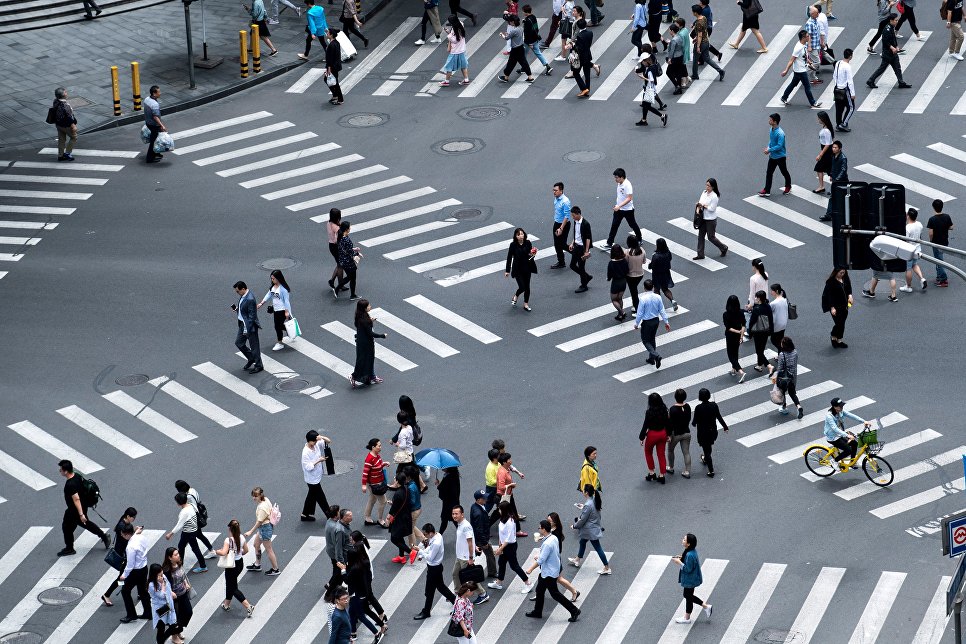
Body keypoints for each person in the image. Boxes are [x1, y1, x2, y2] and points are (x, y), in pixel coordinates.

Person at [524, 520, 581, 622]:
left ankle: (574, 610)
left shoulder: (547, 544)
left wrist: (530, 569)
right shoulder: (553, 537)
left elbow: (541, 560)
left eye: (539, 528)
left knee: (555, 594)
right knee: (540, 590)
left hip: (548, 573)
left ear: (544, 529)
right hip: (552, 570)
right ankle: (537, 611)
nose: (538, 529)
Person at [58, 459, 110, 557]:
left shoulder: (70, 484)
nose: (60, 471)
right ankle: (103, 536)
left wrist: (81, 514)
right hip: (83, 505)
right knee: (76, 525)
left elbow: (76, 499)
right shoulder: (77, 476)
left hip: (75, 510)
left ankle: (70, 548)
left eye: (60, 470)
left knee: (68, 526)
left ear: (65, 471)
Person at [414, 522, 458, 619]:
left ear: (430, 533)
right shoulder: (437, 536)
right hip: (435, 568)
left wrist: (420, 551)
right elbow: (430, 548)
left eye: (425, 534)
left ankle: (426, 611)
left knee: (429, 591)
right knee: (440, 587)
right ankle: (456, 602)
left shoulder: (436, 543)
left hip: (434, 569)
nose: (424, 536)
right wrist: (422, 554)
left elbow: (430, 558)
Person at [488, 500, 534, 592]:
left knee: (514, 566)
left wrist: (500, 548)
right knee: (501, 563)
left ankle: (528, 583)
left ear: (504, 510)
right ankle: (498, 582)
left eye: (500, 509)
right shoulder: (502, 519)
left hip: (510, 546)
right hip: (504, 545)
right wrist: (500, 545)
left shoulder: (510, 521)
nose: (499, 511)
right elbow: (501, 535)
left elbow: (509, 538)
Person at [345, 541, 386, 642]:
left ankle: (376, 633)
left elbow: (347, 580)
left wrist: (343, 570)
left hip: (357, 594)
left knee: (361, 615)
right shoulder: (360, 563)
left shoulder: (355, 567)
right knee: (354, 612)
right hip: (362, 593)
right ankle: (353, 633)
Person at [569, 484, 611, 573]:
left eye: (583, 490)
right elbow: (591, 512)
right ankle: (577, 559)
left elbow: (582, 519)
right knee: (582, 542)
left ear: (586, 493)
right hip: (593, 527)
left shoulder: (588, 504)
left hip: (590, 530)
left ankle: (606, 567)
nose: (582, 491)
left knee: (597, 547)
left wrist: (575, 526)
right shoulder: (594, 501)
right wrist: (583, 507)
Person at [101, 507, 139, 606]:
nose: (134, 519)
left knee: (135, 574)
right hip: (123, 556)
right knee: (122, 578)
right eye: (133, 517)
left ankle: (140, 592)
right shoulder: (121, 527)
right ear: (128, 516)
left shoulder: (125, 524)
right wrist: (135, 532)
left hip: (125, 554)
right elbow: (127, 539)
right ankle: (107, 595)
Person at [451, 505, 489, 604]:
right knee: (455, 574)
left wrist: (471, 557)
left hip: (465, 557)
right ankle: (458, 592)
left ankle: (482, 594)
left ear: (462, 514)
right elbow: (471, 539)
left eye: (456, 514)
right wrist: (475, 546)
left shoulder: (466, 526)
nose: (454, 516)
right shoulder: (460, 524)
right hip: (459, 556)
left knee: (469, 578)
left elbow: (469, 542)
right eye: (453, 513)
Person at [163, 492, 208, 574]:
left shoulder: (184, 512)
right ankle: (181, 564)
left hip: (188, 532)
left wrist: (170, 534)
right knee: (182, 546)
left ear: (178, 503)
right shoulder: (191, 505)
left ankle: (202, 566)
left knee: (193, 548)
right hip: (193, 530)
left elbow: (179, 525)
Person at [672, 533, 712, 623]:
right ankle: (687, 617)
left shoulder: (690, 554)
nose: (682, 540)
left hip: (690, 579)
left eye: (684, 540)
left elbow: (687, 568)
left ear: (689, 544)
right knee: (688, 596)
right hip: (691, 578)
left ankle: (705, 606)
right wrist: (681, 558)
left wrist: (678, 562)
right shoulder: (690, 551)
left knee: (687, 596)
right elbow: (689, 562)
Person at [866, 14, 912, 89]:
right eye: (896, 20)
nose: (897, 21)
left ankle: (901, 82)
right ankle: (870, 80)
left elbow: (893, 38)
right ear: (891, 21)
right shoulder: (886, 29)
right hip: (888, 54)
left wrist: (896, 46)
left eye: (897, 20)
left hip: (893, 53)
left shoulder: (891, 27)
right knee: (882, 69)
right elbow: (885, 41)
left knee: (897, 68)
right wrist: (892, 48)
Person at [778, 30, 822, 109]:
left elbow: (804, 56)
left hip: (799, 70)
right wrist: (786, 70)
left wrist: (810, 63)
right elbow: (791, 60)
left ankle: (784, 97)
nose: (809, 37)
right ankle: (813, 102)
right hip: (800, 71)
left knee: (793, 84)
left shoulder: (803, 45)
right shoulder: (798, 48)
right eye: (808, 36)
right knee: (807, 87)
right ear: (803, 38)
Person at [823, 397, 872, 467]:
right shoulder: (829, 416)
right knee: (848, 450)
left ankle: (853, 462)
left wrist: (863, 421)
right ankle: (834, 461)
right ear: (835, 407)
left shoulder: (840, 411)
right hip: (833, 437)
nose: (842, 407)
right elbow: (835, 428)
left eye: (842, 405)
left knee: (855, 443)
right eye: (840, 406)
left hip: (840, 434)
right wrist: (847, 435)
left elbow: (851, 415)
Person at [118, 523, 151, 622]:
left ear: (127, 534)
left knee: (125, 591)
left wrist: (124, 575)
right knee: (143, 591)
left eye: (123, 535)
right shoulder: (140, 537)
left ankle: (132, 614)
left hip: (135, 572)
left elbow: (130, 564)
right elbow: (136, 534)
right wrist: (137, 531)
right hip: (144, 568)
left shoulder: (130, 547)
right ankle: (148, 613)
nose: (122, 536)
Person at [634, 279, 671, 369]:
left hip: (647, 322)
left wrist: (636, 324)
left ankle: (656, 355)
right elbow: (662, 310)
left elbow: (639, 313)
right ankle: (651, 359)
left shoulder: (643, 299)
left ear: (644, 288)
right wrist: (666, 322)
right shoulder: (658, 297)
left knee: (645, 340)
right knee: (652, 338)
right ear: (653, 287)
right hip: (655, 321)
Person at [244, 487, 280, 576]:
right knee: (256, 544)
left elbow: (259, 522)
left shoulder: (261, 508)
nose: (254, 498)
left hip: (265, 528)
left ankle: (275, 569)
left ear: (260, 495)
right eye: (253, 496)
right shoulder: (266, 500)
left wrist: (250, 531)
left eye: (255, 496)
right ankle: (257, 564)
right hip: (265, 527)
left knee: (269, 549)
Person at [350, 299, 386, 388]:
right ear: (364, 308)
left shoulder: (360, 316)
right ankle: (354, 376)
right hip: (366, 344)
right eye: (368, 306)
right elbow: (371, 334)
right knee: (366, 360)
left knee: (365, 360)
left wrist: (370, 321)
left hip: (361, 342)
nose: (370, 306)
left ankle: (371, 376)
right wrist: (383, 335)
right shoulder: (365, 320)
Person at [692, 388, 728, 477]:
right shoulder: (714, 405)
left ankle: (711, 470)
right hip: (713, 431)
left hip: (703, 433)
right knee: (709, 447)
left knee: (706, 450)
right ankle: (705, 458)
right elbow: (719, 417)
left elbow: (694, 422)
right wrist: (725, 427)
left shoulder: (698, 408)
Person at [604, 169, 642, 250]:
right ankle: (609, 242)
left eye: (617, 177)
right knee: (614, 225)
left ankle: (639, 238)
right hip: (619, 209)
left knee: (632, 224)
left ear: (622, 177)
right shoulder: (619, 183)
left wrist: (619, 206)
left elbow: (629, 198)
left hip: (628, 210)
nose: (615, 179)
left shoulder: (627, 185)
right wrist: (618, 205)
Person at [255, 269, 292, 352]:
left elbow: (286, 301)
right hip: (276, 310)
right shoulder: (273, 287)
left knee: (277, 326)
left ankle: (280, 343)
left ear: (278, 278)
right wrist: (261, 303)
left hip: (282, 310)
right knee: (278, 325)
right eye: (271, 278)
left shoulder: (283, 289)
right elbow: (268, 295)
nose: (272, 280)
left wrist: (286, 311)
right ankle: (290, 330)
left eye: (273, 278)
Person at [232, 280, 263, 374]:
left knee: (254, 346)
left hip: (250, 326)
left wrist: (247, 329)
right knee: (239, 343)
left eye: (238, 291)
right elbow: (244, 310)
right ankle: (251, 358)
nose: (237, 293)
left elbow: (252, 317)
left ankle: (259, 365)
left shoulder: (250, 299)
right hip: (242, 324)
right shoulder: (243, 296)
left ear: (243, 289)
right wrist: (238, 310)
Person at [769, 336, 803, 418]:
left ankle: (784, 407)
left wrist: (776, 378)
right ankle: (799, 406)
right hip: (792, 376)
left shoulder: (782, 354)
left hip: (784, 377)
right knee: (792, 392)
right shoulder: (795, 352)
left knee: (782, 391)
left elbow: (780, 368)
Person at [148, 563, 183, 644]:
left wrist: (171, 592)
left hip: (169, 604)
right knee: (161, 628)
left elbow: (169, 586)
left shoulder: (163, 577)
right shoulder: (151, 585)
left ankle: (165, 639)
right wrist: (163, 585)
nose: (161, 576)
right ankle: (160, 641)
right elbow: (161, 595)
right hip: (160, 608)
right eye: (159, 575)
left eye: (161, 573)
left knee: (173, 624)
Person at [302, 430, 333, 523]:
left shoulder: (316, 445)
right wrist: (318, 460)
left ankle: (305, 514)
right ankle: (330, 516)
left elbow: (328, 441)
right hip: (311, 479)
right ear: (309, 441)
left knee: (311, 496)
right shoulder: (305, 452)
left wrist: (321, 437)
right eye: (314, 441)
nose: (315, 443)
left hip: (317, 476)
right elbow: (308, 467)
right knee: (321, 498)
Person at [162, 547, 192, 639]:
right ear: (170, 557)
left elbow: (182, 575)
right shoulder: (166, 570)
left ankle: (178, 630)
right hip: (174, 598)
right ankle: (174, 636)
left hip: (183, 593)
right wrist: (170, 592)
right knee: (176, 618)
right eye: (175, 555)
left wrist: (185, 583)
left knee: (188, 612)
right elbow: (164, 584)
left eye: (178, 553)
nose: (178, 555)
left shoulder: (179, 563)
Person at [758, 113, 791, 197]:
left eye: (770, 120)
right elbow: (771, 141)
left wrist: (769, 150)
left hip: (780, 157)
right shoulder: (771, 129)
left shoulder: (780, 133)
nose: (769, 121)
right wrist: (768, 147)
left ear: (775, 122)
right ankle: (767, 190)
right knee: (769, 173)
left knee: (784, 172)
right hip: (772, 156)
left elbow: (779, 146)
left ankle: (788, 186)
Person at [694, 178, 727, 259]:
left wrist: (703, 206)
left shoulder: (714, 196)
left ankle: (723, 248)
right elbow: (700, 202)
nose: (707, 187)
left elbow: (712, 209)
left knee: (711, 237)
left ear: (713, 187)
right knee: (700, 236)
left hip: (710, 220)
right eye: (706, 185)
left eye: (708, 186)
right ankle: (700, 254)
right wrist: (698, 209)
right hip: (703, 218)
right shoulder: (704, 192)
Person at [640, 392, 669, 482]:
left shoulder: (649, 412)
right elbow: (668, 423)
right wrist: (668, 434)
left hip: (652, 434)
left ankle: (652, 473)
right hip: (662, 433)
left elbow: (645, 426)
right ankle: (662, 475)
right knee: (661, 454)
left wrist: (642, 437)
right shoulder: (664, 410)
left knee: (648, 452)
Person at [505, 227, 536, 311]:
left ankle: (526, 304)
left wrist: (533, 253)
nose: (521, 236)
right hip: (517, 269)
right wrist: (507, 270)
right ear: (516, 236)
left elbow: (530, 256)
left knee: (527, 287)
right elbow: (509, 258)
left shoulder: (528, 243)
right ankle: (516, 295)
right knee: (522, 287)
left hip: (527, 268)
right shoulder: (513, 245)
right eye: (519, 234)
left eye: (522, 234)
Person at [821, 267, 853, 348]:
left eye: (843, 272)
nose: (842, 274)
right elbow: (829, 296)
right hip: (836, 307)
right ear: (836, 272)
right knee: (839, 323)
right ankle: (833, 336)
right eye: (841, 273)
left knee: (842, 323)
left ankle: (839, 340)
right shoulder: (830, 282)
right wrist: (832, 307)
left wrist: (850, 296)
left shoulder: (845, 278)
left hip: (845, 306)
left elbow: (848, 287)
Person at [499, 14, 536, 83]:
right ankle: (530, 77)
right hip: (521, 48)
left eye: (510, 21)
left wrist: (502, 35)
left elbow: (507, 38)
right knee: (524, 62)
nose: (509, 23)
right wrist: (509, 34)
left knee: (511, 63)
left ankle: (506, 77)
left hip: (515, 50)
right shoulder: (521, 28)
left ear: (513, 22)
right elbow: (515, 36)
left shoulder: (514, 31)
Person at [469, 490, 498, 577]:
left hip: (477, 537)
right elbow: (479, 529)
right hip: (481, 538)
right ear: (478, 500)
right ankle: (492, 572)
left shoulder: (475, 506)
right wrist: (485, 542)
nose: (486, 499)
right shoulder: (479, 514)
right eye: (483, 498)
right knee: (489, 554)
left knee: (476, 554)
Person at [691, 8, 724, 81]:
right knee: (707, 59)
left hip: (701, 43)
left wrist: (698, 46)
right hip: (706, 42)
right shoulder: (704, 18)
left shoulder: (698, 23)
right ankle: (720, 70)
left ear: (696, 13)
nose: (692, 12)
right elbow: (704, 31)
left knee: (695, 59)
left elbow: (700, 34)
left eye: (693, 11)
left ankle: (695, 75)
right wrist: (697, 38)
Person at [636, 52, 668, 126]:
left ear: (646, 61)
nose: (642, 63)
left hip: (649, 89)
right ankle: (644, 120)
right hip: (651, 89)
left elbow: (651, 80)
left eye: (642, 62)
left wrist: (642, 77)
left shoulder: (650, 69)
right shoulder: (653, 66)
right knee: (645, 105)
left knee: (646, 106)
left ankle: (662, 116)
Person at [362, 438, 389, 527]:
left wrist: (383, 464)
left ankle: (367, 518)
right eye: (379, 446)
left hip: (377, 482)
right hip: (375, 484)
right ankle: (380, 520)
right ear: (373, 447)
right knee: (383, 501)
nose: (380, 447)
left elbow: (377, 466)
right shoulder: (370, 459)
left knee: (372, 499)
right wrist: (363, 485)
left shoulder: (376, 455)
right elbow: (365, 473)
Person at [386, 473, 413, 563]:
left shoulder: (397, 493)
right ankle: (401, 556)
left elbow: (394, 508)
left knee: (394, 538)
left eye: (395, 479)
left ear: (397, 481)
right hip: (406, 516)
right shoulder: (406, 489)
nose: (394, 480)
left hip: (399, 518)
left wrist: (388, 516)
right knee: (399, 537)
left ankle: (411, 552)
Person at [666, 389, 693, 478]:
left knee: (670, 450)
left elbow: (669, 424)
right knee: (686, 453)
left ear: (675, 397)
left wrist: (669, 435)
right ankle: (687, 471)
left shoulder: (672, 409)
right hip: (686, 432)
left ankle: (671, 467)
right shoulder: (688, 406)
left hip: (675, 434)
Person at [820, 141, 848, 222]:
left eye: (835, 147)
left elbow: (843, 170)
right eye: (833, 147)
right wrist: (832, 175)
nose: (833, 149)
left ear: (840, 149)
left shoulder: (843, 158)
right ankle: (829, 214)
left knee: (842, 198)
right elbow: (833, 166)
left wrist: (837, 179)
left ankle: (842, 214)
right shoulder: (834, 156)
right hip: (835, 181)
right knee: (832, 198)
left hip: (842, 182)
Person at [927, 199, 953, 286]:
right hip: (945, 241)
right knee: (938, 259)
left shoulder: (932, 219)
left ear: (933, 208)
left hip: (936, 243)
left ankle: (943, 279)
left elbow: (931, 233)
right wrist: (944, 227)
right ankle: (939, 276)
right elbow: (951, 227)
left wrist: (931, 241)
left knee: (939, 261)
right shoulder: (947, 216)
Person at [441, 15, 471, 87]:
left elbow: (455, 40)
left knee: (449, 67)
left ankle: (446, 81)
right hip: (462, 50)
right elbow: (457, 37)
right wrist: (450, 32)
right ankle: (466, 79)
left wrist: (449, 35)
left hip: (455, 52)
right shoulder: (461, 24)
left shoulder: (455, 30)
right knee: (463, 66)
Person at [901, 208, 927, 292]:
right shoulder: (919, 224)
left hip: (909, 250)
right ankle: (922, 278)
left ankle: (908, 287)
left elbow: (905, 240)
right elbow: (920, 236)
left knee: (908, 269)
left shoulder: (907, 228)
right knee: (914, 264)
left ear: (908, 216)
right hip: (917, 248)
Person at [568, 206, 593, 292]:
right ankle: (587, 277)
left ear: (578, 214)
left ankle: (584, 285)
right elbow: (576, 233)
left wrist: (586, 251)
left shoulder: (586, 224)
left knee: (581, 267)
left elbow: (588, 238)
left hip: (582, 248)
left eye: (573, 215)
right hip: (576, 246)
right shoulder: (575, 221)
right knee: (572, 265)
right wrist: (572, 243)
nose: (572, 217)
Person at [326, 507, 352, 589]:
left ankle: (333, 585)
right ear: (335, 515)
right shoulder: (337, 528)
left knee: (336, 571)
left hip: (332, 550)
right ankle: (331, 587)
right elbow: (338, 545)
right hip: (335, 552)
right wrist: (341, 561)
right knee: (338, 572)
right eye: (338, 512)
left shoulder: (330, 521)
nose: (340, 512)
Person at [747, 290, 773, 372]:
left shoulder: (757, 309)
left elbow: (752, 322)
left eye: (756, 297)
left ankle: (768, 365)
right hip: (766, 330)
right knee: (761, 349)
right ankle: (759, 365)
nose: (755, 298)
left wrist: (750, 333)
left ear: (759, 298)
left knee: (758, 351)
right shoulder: (768, 306)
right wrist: (770, 330)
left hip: (758, 332)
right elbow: (771, 319)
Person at [648, 239, 677, 311]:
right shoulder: (668, 253)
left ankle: (659, 306)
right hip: (666, 273)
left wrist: (650, 265)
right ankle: (672, 300)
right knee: (665, 289)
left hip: (657, 275)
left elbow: (653, 265)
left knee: (656, 289)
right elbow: (670, 259)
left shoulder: (656, 256)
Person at [334, 221, 360, 299]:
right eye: (349, 227)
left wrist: (354, 249)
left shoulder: (341, 236)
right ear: (346, 229)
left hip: (343, 260)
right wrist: (357, 254)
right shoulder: (346, 239)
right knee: (352, 278)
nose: (350, 228)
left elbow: (345, 249)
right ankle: (352, 295)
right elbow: (350, 252)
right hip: (348, 262)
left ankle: (338, 288)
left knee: (349, 277)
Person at [723, 294, 746, 382]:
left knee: (730, 355)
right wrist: (741, 336)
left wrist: (737, 331)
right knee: (735, 352)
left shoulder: (726, 314)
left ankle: (740, 371)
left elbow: (728, 327)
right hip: (737, 337)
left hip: (730, 336)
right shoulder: (740, 312)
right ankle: (733, 369)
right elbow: (743, 324)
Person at [51, 88, 78, 162]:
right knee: (74, 137)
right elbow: (69, 117)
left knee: (61, 140)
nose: (67, 93)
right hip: (66, 126)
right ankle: (67, 153)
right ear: (63, 95)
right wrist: (73, 126)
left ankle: (60, 155)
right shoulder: (66, 105)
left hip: (58, 124)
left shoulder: (55, 101)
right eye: (65, 92)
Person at [831, 50, 855, 132]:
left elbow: (834, 75)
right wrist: (853, 93)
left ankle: (838, 124)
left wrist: (836, 85)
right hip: (844, 90)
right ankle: (843, 124)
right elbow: (850, 81)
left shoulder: (838, 63)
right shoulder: (847, 66)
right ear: (850, 56)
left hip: (836, 89)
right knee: (851, 107)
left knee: (839, 108)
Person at [143, 85, 167, 164]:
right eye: (159, 92)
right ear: (154, 93)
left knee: (156, 139)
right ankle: (149, 158)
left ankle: (157, 153)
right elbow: (155, 117)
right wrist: (162, 125)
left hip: (148, 122)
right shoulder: (154, 104)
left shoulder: (147, 99)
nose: (160, 93)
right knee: (153, 142)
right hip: (154, 125)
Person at [571, 19, 594, 97]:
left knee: (576, 73)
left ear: (578, 26)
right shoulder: (590, 33)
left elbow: (579, 49)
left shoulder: (579, 36)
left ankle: (584, 89)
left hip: (581, 57)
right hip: (588, 55)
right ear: (586, 24)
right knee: (587, 74)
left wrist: (573, 45)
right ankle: (587, 89)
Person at [550, 182, 572, 268]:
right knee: (557, 244)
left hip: (564, 225)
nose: (554, 192)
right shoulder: (556, 198)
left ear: (561, 191)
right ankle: (561, 262)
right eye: (553, 190)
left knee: (562, 244)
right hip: (557, 223)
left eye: (556, 190)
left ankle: (577, 254)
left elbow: (567, 216)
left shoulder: (565, 201)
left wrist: (561, 228)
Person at [607, 245, 630, 321]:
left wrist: (608, 278)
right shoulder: (624, 261)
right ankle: (620, 315)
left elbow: (609, 275)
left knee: (614, 300)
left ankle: (621, 312)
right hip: (623, 281)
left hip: (616, 282)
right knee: (620, 298)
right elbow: (627, 270)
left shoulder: (611, 263)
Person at [813, 112, 834, 193]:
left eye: (819, 118)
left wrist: (820, 155)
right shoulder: (826, 128)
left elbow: (828, 144)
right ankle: (822, 186)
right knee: (821, 168)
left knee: (828, 171)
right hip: (826, 152)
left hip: (827, 153)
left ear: (823, 119)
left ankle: (827, 187)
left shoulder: (826, 130)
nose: (818, 119)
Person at [625, 235, 646, 315]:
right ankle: (635, 306)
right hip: (640, 274)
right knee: (634, 290)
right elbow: (644, 261)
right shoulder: (642, 250)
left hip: (630, 275)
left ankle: (637, 308)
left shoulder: (627, 252)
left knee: (634, 292)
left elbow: (625, 263)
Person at [437, 467, 461, 535]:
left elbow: (444, 490)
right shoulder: (454, 475)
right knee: (453, 520)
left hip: (449, 504)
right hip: (453, 502)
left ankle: (439, 536)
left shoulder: (448, 477)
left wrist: (438, 485)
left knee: (446, 520)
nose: (442, 468)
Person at [325, 28, 345, 105]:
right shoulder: (336, 42)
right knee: (330, 80)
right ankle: (335, 95)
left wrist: (329, 68)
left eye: (328, 33)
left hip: (333, 66)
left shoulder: (331, 45)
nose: (327, 34)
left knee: (335, 83)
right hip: (336, 65)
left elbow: (330, 58)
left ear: (331, 35)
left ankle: (340, 99)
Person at [769, 283, 789, 350]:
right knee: (780, 339)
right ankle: (780, 355)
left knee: (774, 340)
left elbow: (768, 312)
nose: (770, 292)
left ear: (776, 291)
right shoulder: (785, 299)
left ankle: (782, 352)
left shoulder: (773, 303)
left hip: (776, 325)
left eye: (772, 290)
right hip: (784, 323)